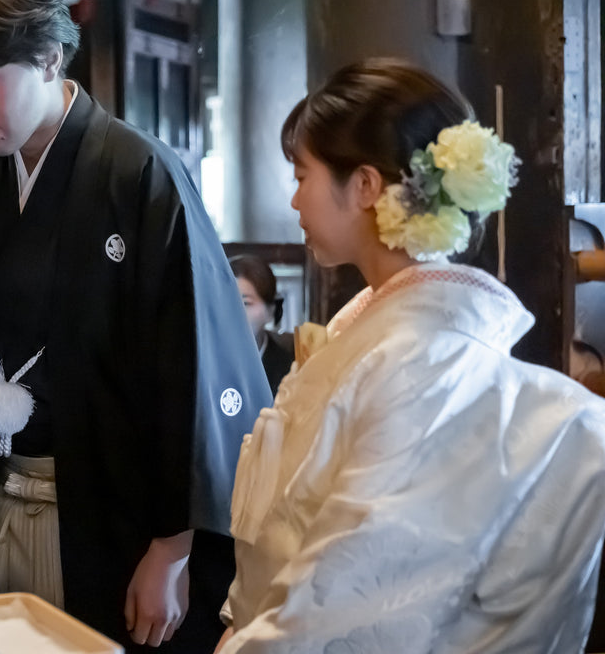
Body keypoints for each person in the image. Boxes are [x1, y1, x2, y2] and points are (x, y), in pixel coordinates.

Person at [0, 0, 271, 650]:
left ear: (51, 55)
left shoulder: (139, 172)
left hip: (125, 517)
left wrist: (172, 548)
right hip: (8, 496)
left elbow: (191, 366)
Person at [218, 59, 605, 652]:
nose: (294, 198)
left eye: (302, 175)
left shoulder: (425, 357)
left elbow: (361, 572)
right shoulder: (378, 330)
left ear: (366, 186)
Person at [228, 255, 292, 396]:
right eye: (227, 301)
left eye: (245, 303)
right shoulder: (203, 363)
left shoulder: (290, 370)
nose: (234, 311)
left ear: (270, 311)